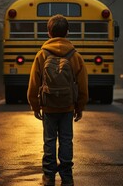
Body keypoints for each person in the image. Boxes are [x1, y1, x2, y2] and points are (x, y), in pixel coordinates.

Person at [27, 14, 88, 186]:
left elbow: (33, 82)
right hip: (68, 106)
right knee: (66, 140)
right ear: (67, 32)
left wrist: (35, 105)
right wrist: (80, 106)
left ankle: (48, 176)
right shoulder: (75, 56)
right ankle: (67, 177)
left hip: (48, 106)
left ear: (48, 33)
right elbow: (83, 84)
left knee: (49, 140)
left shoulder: (42, 54)